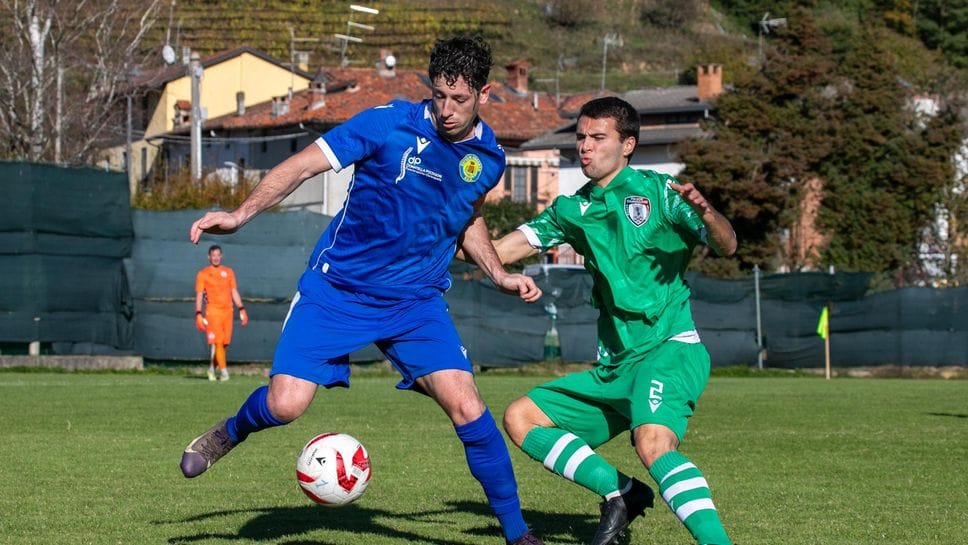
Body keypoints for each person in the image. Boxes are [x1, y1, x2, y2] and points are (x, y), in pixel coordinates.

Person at [180, 36, 544, 545]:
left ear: (483, 93)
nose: (446, 109)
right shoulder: (387, 122)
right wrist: (241, 214)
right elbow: (303, 164)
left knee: (468, 406)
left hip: (415, 302)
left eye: (459, 99)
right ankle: (230, 431)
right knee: (286, 406)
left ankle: (517, 533)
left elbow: (468, 219)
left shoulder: (488, 158)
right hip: (338, 290)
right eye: (439, 95)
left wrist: (498, 273)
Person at [480, 96, 737, 545]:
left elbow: (728, 244)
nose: (585, 147)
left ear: (627, 145)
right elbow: (496, 252)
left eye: (598, 138)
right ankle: (621, 492)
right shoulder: (570, 211)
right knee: (522, 417)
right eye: (581, 137)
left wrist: (708, 211)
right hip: (615, 367)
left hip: (668, 349)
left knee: (653, 443)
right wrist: (446, 226)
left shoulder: (660, 193)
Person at [194, 244, 248, 381]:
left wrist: (241, 308)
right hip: (213, 312)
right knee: (217, 342)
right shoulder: (203, 274)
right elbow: (200, 294)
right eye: (213, 255)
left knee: (224, 344)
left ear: (221, 256)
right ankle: (224, 373)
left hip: (228, 312)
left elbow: (233, 291)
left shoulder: (228, 272)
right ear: (209, 257)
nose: (216, 258)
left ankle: (212, 369)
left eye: (218, 255)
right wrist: (198, 313)